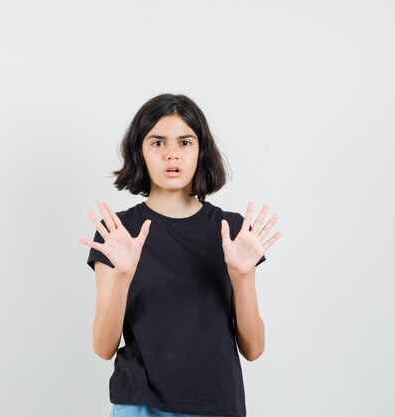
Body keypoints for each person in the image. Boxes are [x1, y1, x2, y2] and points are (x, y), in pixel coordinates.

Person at [78, 93, 282, 417]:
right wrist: (121, 276)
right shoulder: (118, 231)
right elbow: (103, 347)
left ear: (201, 151)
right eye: (157, 143)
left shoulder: (231, 231)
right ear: (140, 152)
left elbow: (254, 349)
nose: (172, 154)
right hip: (140, 404)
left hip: (216, 403)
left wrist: (242, 276)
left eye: (185, 143)